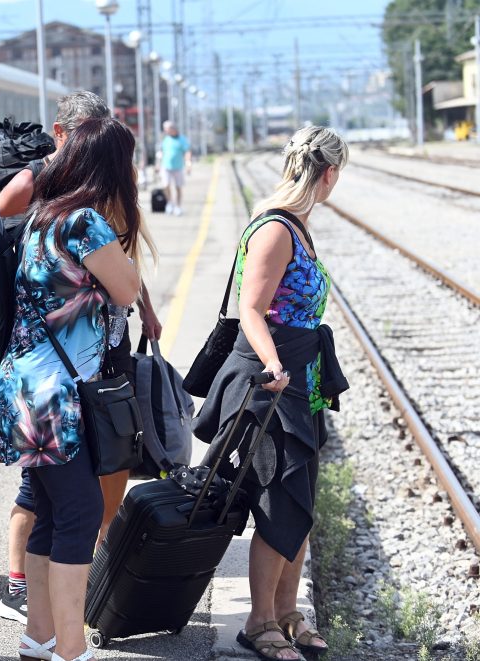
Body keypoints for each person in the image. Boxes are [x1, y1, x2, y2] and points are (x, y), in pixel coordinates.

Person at [0, 117, 152, 661]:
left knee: (48, 509)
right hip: (56, 394)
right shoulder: (84, 224)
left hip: (24, 384)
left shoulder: (42, 218)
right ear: (110, 167)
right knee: (79, 512)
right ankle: (71, 648)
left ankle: (39, 636)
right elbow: (126, 288)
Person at [193, 126, 349, 661]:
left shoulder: (300, 225)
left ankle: (286, 613)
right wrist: (275, 363)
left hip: (302, 382)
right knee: (276, 501)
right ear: (328, 173)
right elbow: (252, 308)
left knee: (300, 500)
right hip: (271, 382)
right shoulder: (276, 229)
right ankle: (258, 623)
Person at [156, 121, 191, 216]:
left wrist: (188, 164)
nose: (165, 131)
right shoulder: (165, 139)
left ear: (172, 129)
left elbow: (187, 152)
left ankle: (178, 206)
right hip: (166, 166)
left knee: (178, 187)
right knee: (165, 185)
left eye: (166, 129)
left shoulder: (182, 139)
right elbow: (160, 152)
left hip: (178, 167)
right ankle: (170, 202)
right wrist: (158, 164)